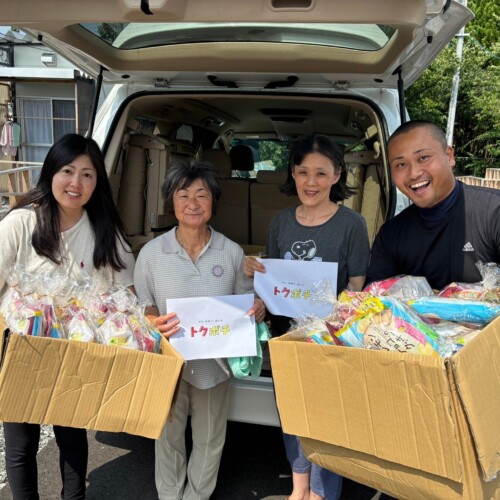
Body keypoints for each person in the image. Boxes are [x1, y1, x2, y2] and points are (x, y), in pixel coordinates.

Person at [0, 133, 135, 500]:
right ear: (50, 173)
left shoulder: (104, 230)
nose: (76, 183)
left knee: (73, 434)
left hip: (79, 347)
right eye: (67, 171)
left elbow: (127, 294)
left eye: (87, 174)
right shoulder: (20, 224)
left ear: (97, 182)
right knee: (20, 442)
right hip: (25, 346)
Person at [244, 134, 371, 500]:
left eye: (320, 173)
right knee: (292, 414)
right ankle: (299, 488)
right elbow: (273, 283)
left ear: (336, 176)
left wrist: (332, 324)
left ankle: (321, 491)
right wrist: (258, 287)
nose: (310, 182)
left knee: (329, 420)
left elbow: (358, 289)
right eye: (302, 172)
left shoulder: (352, 224)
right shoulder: (281, 222)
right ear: (293, 174)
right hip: (287, 340)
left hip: (331, 339)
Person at [133, 159, 265, 500]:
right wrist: (151, 319)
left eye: (202, 195)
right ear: (171, 202)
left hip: (214, 364)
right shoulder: (150, 253)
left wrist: (258, 308)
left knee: (209, 437)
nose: (193, 203)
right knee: (168, 433)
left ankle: (197, 496)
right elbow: (143, 305)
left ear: (213, 202)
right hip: (169, 361)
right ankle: (169, 494)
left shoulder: (232, 252)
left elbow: (246, 306)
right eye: (183, 195)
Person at [366, 120, 500, 289]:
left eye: (423, 158)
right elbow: (372, 297)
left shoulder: (493, 212)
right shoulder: (391, 234)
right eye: (401, 164)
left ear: (449, 156)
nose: (414, 173)